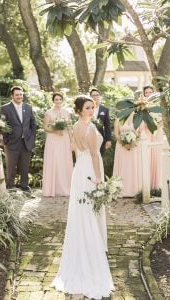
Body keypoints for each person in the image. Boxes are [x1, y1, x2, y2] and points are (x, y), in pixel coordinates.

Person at [50, 95, 114, 299]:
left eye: (92, 107)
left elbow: (74, 150)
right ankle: (90, 250)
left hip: (79, 171)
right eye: (87, 107)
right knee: (88, 210)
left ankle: (79, 249)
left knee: (81, 211)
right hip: (90, 172)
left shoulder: (74, 127)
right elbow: (95, 155)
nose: (91, 110)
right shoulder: (90, 129)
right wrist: (98, 179)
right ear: (79, 110)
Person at [0, 86, 36, 191]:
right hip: (11, 143)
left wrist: (32, 138)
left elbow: (33, 124)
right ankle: (11, 187)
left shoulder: (28, 107)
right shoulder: (5, 108)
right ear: (12, 96)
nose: (19, 96)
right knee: (11, 167)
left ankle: (24, 186)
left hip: (26, 142)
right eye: (17, 95)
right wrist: (6, 140)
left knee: (25, 166)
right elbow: (2, 125)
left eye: (21, 94)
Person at [42, 92, 73, 197]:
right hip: (53, 139)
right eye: (56, 99)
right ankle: (52, 188)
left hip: (64, 139)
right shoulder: (48, 113)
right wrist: (55, 131)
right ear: (53, 101)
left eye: (60, 99)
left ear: (62, 100)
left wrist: (72, 141)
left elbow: (69, 127)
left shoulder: (66, 113)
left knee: (64, 162)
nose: (58, 101)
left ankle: (65, 187)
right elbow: (45, 127)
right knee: (54, 161)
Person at [113, 113, 142, 197]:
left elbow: (140, 133)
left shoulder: (137, 117)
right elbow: (116, 133)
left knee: (133, 167)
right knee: (123, 167)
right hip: (121, 147)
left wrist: (134, 142)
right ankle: (121, 190)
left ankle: (134, 190)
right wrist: (124, 143)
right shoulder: (119, 118)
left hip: (134, 147)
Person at [142, 85, 163, 189]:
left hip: (157, 132)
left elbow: (163, 120)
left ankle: (157, 184)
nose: (149, 94)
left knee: (157, 156)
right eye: (146, 92)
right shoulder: (142, 107)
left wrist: (157, 125)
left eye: (150, 92)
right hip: (147, 133)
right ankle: (147, 183)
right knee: (147, 156)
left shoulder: (159, 106)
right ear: (144, 94)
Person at [90, 88, 112, 155]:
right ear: (90, 97)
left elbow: (107, 125)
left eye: (97, 95)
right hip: (88, 136)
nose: (95, 97)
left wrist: (108, 140)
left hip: (100, 137)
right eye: (93, 95)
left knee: (99, 156)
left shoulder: (105, 110)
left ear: (100, 96)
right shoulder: (86, 108)